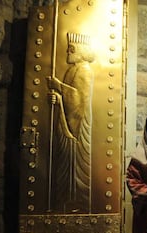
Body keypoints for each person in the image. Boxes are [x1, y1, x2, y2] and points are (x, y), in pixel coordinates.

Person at [47, 32, 95, 212]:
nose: (67, 51)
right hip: (68, 121)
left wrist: (58, 86)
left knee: (75, 165)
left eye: (71, 49)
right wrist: (58, 98)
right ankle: (64, 201)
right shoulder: (73, 70)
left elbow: (78, 100)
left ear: (82, 51)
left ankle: (76, 202)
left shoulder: (84, 70)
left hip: (77, 126)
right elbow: (70, 97)